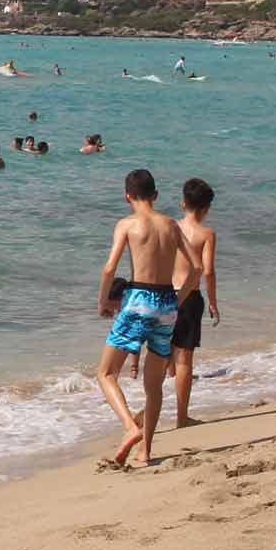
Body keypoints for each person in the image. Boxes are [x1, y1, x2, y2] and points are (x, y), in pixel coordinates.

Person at [94, 168, 191, 467]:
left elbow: (109, 269)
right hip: (166, 302)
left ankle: (130, 427)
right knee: (154, 384)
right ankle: (145, 452)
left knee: (106, 373)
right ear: (156, 195)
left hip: (137, 299)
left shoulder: (127, 224)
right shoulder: (171, 225)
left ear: (127, 197)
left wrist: (102, 303)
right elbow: (196, 267)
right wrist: (178, 298)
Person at [139, 176, 219, 453]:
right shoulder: (206, 234)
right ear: (207, 208)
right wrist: (214, 302)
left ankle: (147, 409)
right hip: (191, 297)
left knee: (161, 357)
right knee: (184, 359)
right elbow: (206, 270)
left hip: (166, 295)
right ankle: (182, 417)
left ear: (183, 203)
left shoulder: (172, 227)